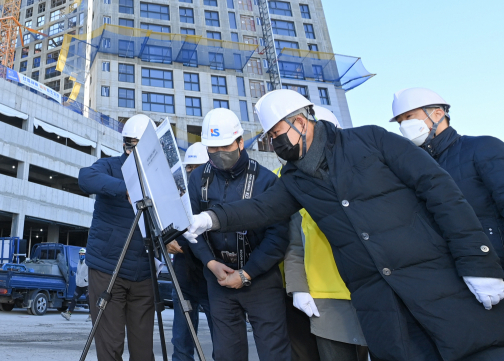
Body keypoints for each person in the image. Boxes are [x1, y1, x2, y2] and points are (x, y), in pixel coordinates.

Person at [185, 90, 504, 361]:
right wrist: (211, 218)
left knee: (474, 348)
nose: (273, 143)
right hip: (379, 302)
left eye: (275, 133)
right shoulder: (296, 179)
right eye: (269, 138)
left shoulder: (370, 140)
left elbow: (438, 188)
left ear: (299, 121)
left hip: (434, 281)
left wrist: (478, 260)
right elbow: (262, 208)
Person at [187, 108, 292, 361]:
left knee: (274, 351)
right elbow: (191, 228)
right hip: (219, 280)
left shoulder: (266, 181)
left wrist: (247, 274)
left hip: (260, 280)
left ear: (240, 142)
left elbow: (278, 237)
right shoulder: (198, 179)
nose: (219, 153)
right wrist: (210, 264)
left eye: (225, 146)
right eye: (212, 148)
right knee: (225, 354)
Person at [280, 106, 368, 361]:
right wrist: (298, 287)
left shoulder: (364, 176)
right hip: (326, 300)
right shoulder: (295, 185)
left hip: (371, 292)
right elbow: (294, 244)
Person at [391, 87, 504, 264]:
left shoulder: (482, 147)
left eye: (409, 117)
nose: (404, 126)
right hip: (457, 266)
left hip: (495, 258)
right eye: (399, 121)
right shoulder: (415, 168)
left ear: (438, 114)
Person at [78, 114, 157, 361]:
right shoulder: (110, 167)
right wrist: (125, 189)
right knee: (111, 346)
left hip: (143, 272)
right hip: (107, 269)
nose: (134, 149)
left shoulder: (157, 176)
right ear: (126, 145)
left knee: (143, 351)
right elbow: (85, 177)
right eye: (131, 144)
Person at [167, 142, 215, 361]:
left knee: (224, 344)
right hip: (184, 280)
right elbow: (164, 228)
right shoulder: (177, 198)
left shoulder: (218, 197)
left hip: (214, 280)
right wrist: (165, 242)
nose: (191, 172)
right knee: (182, 345)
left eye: (196, 167)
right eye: (188, 168)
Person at [61, 247, 89, 320]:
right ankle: (68, 314)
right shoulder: (79, 262)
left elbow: (90, 273)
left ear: (85, 255)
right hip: (79, 285)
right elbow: (78, 273)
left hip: (86, 286)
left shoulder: (87, 263)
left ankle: (91, 315)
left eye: (83, 254)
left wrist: (86, 280)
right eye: (80, 254)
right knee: (74, 299)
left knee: (89, 300)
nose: (81, 255)